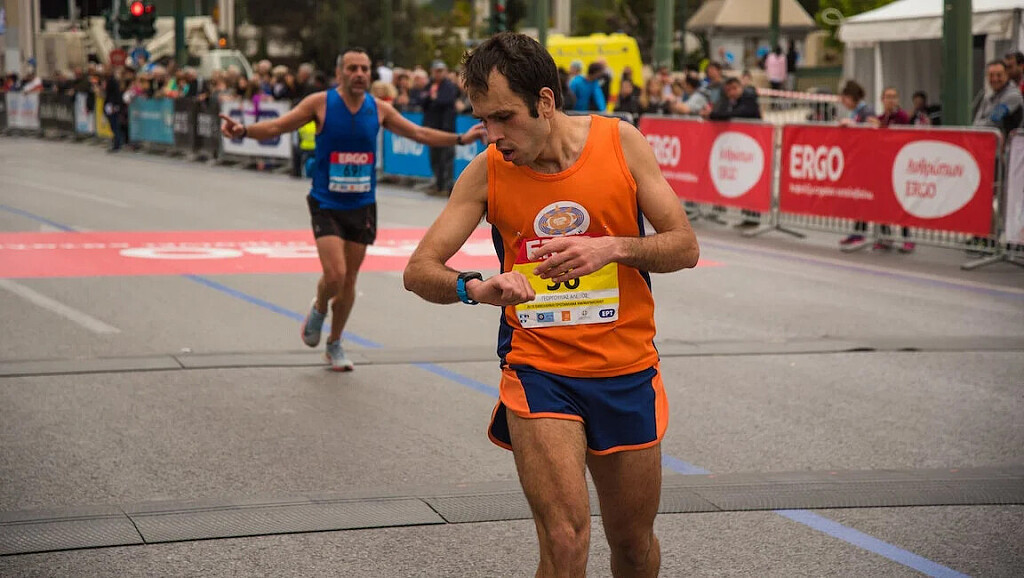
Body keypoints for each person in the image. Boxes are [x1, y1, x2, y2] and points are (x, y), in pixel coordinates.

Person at [403, 32, 699, 577]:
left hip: (626, 370)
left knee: (632, 545)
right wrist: (475, 287)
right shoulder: (487, 171)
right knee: (564, 541)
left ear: (544, 101)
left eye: (503, 117)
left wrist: (612, 247)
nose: (493, 136)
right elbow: (419, 270)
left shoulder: (621, 143)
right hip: (539, 369)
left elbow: (685, 246)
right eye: (483, 121)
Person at [219, 48, 485, 371]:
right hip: (326, 203)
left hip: (362, 206)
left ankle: (334, 343)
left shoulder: (378, 108)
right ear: (339, 73)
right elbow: (278, 127)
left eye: (364, 68)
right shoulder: (320, 104)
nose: (359, 74)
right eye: (352, 68)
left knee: (349, 281)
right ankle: (319, 307)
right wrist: (244, 131)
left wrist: (460, 139)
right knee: (335, 274)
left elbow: (417, 133)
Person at [870, 87, 914, 253]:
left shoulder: (902, 117)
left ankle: (907, 238)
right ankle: (885, 236)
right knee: (882, 203)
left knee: (901, 203)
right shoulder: (880, 118)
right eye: (888, 97)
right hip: (883, 167)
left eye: (894, 97)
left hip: (900, 166)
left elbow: (897, 138)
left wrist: (880, 127)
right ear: (882, 99)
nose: (891, 100)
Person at [837, 80, 875, 250]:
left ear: (851, 97)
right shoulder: (855, 112)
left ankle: (863, 233)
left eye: (844, 99)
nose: (843, 103)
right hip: (856, 160)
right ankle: (856, 232)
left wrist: (853, 125)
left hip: (867, 162)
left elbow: (870, 130)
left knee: (863, 198)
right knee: (856, 198)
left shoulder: (867, 111)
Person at [423, 60, 460, 195]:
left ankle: (446, 186)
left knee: (446, 158)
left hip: (446, 127)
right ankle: (438, 184)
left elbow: (447, 100)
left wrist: (434, 98)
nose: (438, 74)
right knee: (435, 158)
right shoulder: (429, 85)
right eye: (436, 71)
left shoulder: (449, 86)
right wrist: (431, 98)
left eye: (440, 71)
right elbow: (422, 101)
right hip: (432, 127)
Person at [973, 60, 1023, 139]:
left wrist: (979, 125)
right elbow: (975, 123)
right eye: (991, 75)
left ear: (1007, 75)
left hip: (1011, 144)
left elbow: (993, 122)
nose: (995, 79)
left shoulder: (1013, 96)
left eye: (999, 75)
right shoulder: (988, 97)